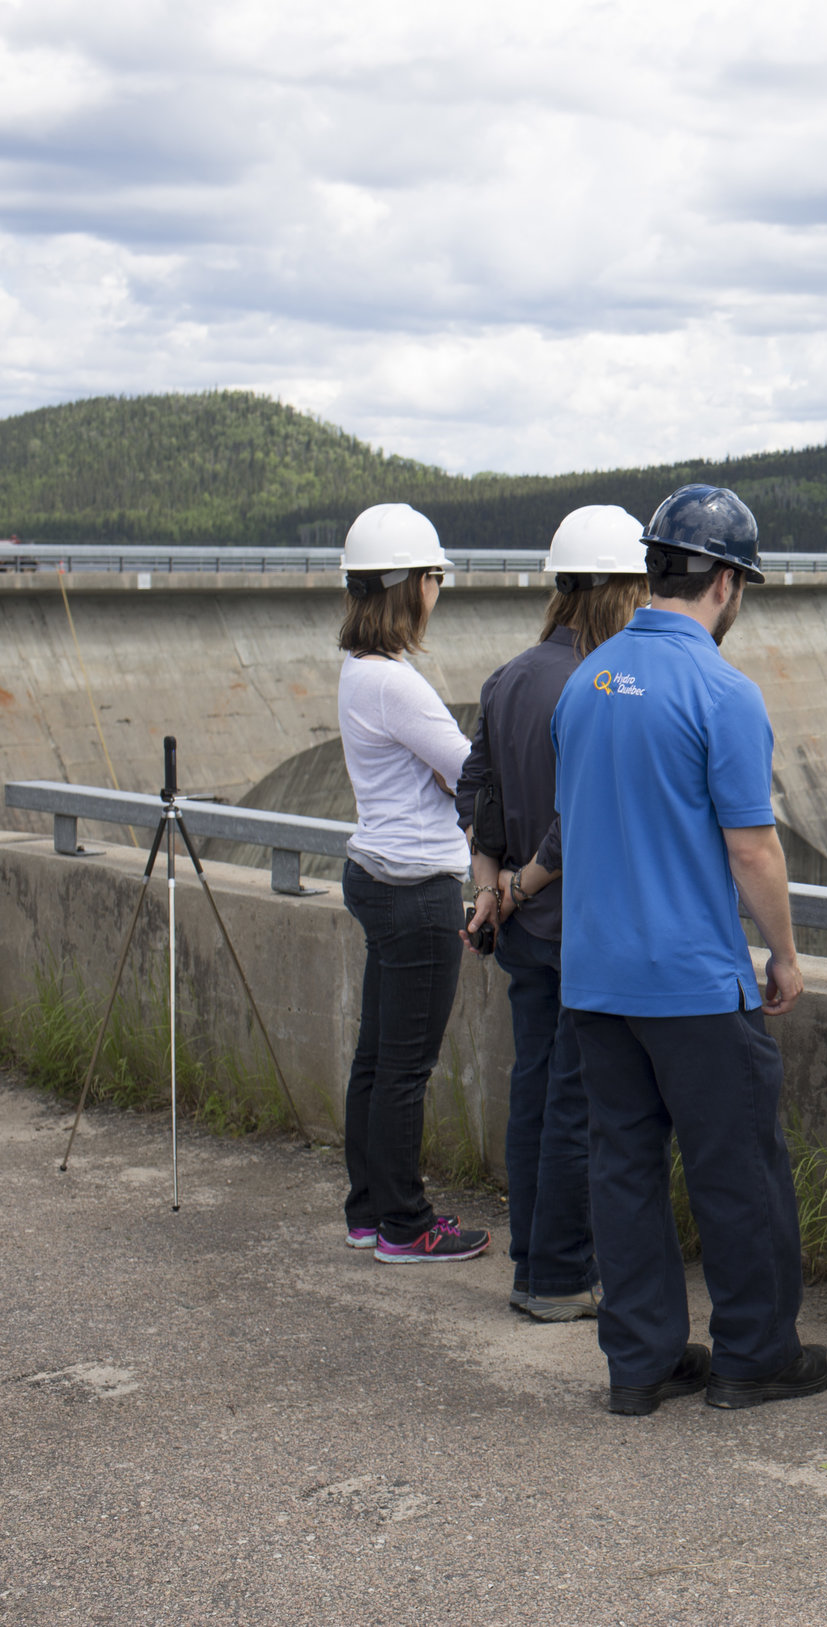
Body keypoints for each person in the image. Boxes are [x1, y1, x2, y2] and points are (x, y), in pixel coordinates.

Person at [549, 483, 827, 1417]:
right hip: (693, 983)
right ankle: (753, 1355)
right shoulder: (721, 690)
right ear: (723, 579)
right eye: (741, 583)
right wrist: (784, 952)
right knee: (737, 1169)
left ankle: (639, 1364)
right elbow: (751, 846)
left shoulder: (583, 683)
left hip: (595, 978)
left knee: (622, 1167)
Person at [457, 505, 649, 1322]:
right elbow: (580, 819)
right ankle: (563, 1275)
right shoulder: (602, 684)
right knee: (578, 1103)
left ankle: (533, 1263)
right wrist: (525, 885)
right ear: (622, 590)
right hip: (581, 931)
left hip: (525, 938)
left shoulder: (506, 678)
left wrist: (490, 889)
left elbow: (480, 798)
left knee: (532, 1090)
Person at [334, 503, 489, 1265]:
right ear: (410, 586)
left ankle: (367, 1208)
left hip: (374, 873)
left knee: (375, 1056)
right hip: (417, 887)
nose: (438, 588)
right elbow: (472, 772)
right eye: (435, 576)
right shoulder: (398, 684)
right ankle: (406, 1223)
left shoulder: (358, 673)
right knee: (405, 1068)